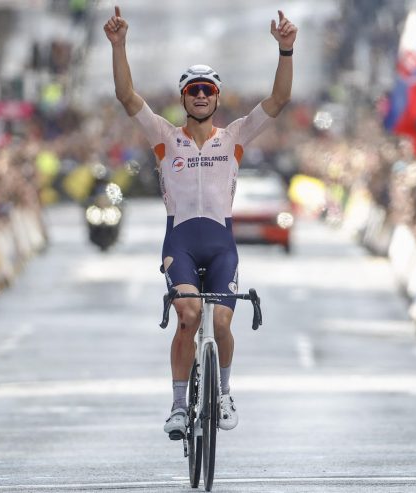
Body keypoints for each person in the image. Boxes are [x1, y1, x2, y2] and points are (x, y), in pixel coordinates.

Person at [104, 5, 296, 439]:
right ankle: (176, 405)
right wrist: (119, 46)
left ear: (217, 97)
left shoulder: (235, 137)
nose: (202, 96)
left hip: (221, 243)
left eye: (208, 90)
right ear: (184, 99)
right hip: (181, 243)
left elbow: (279, 100)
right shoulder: (164, 138)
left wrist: (286, 50)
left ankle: (224, 392)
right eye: (194, 90)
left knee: (223, 324)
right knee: (188, 317)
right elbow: (127, 97)